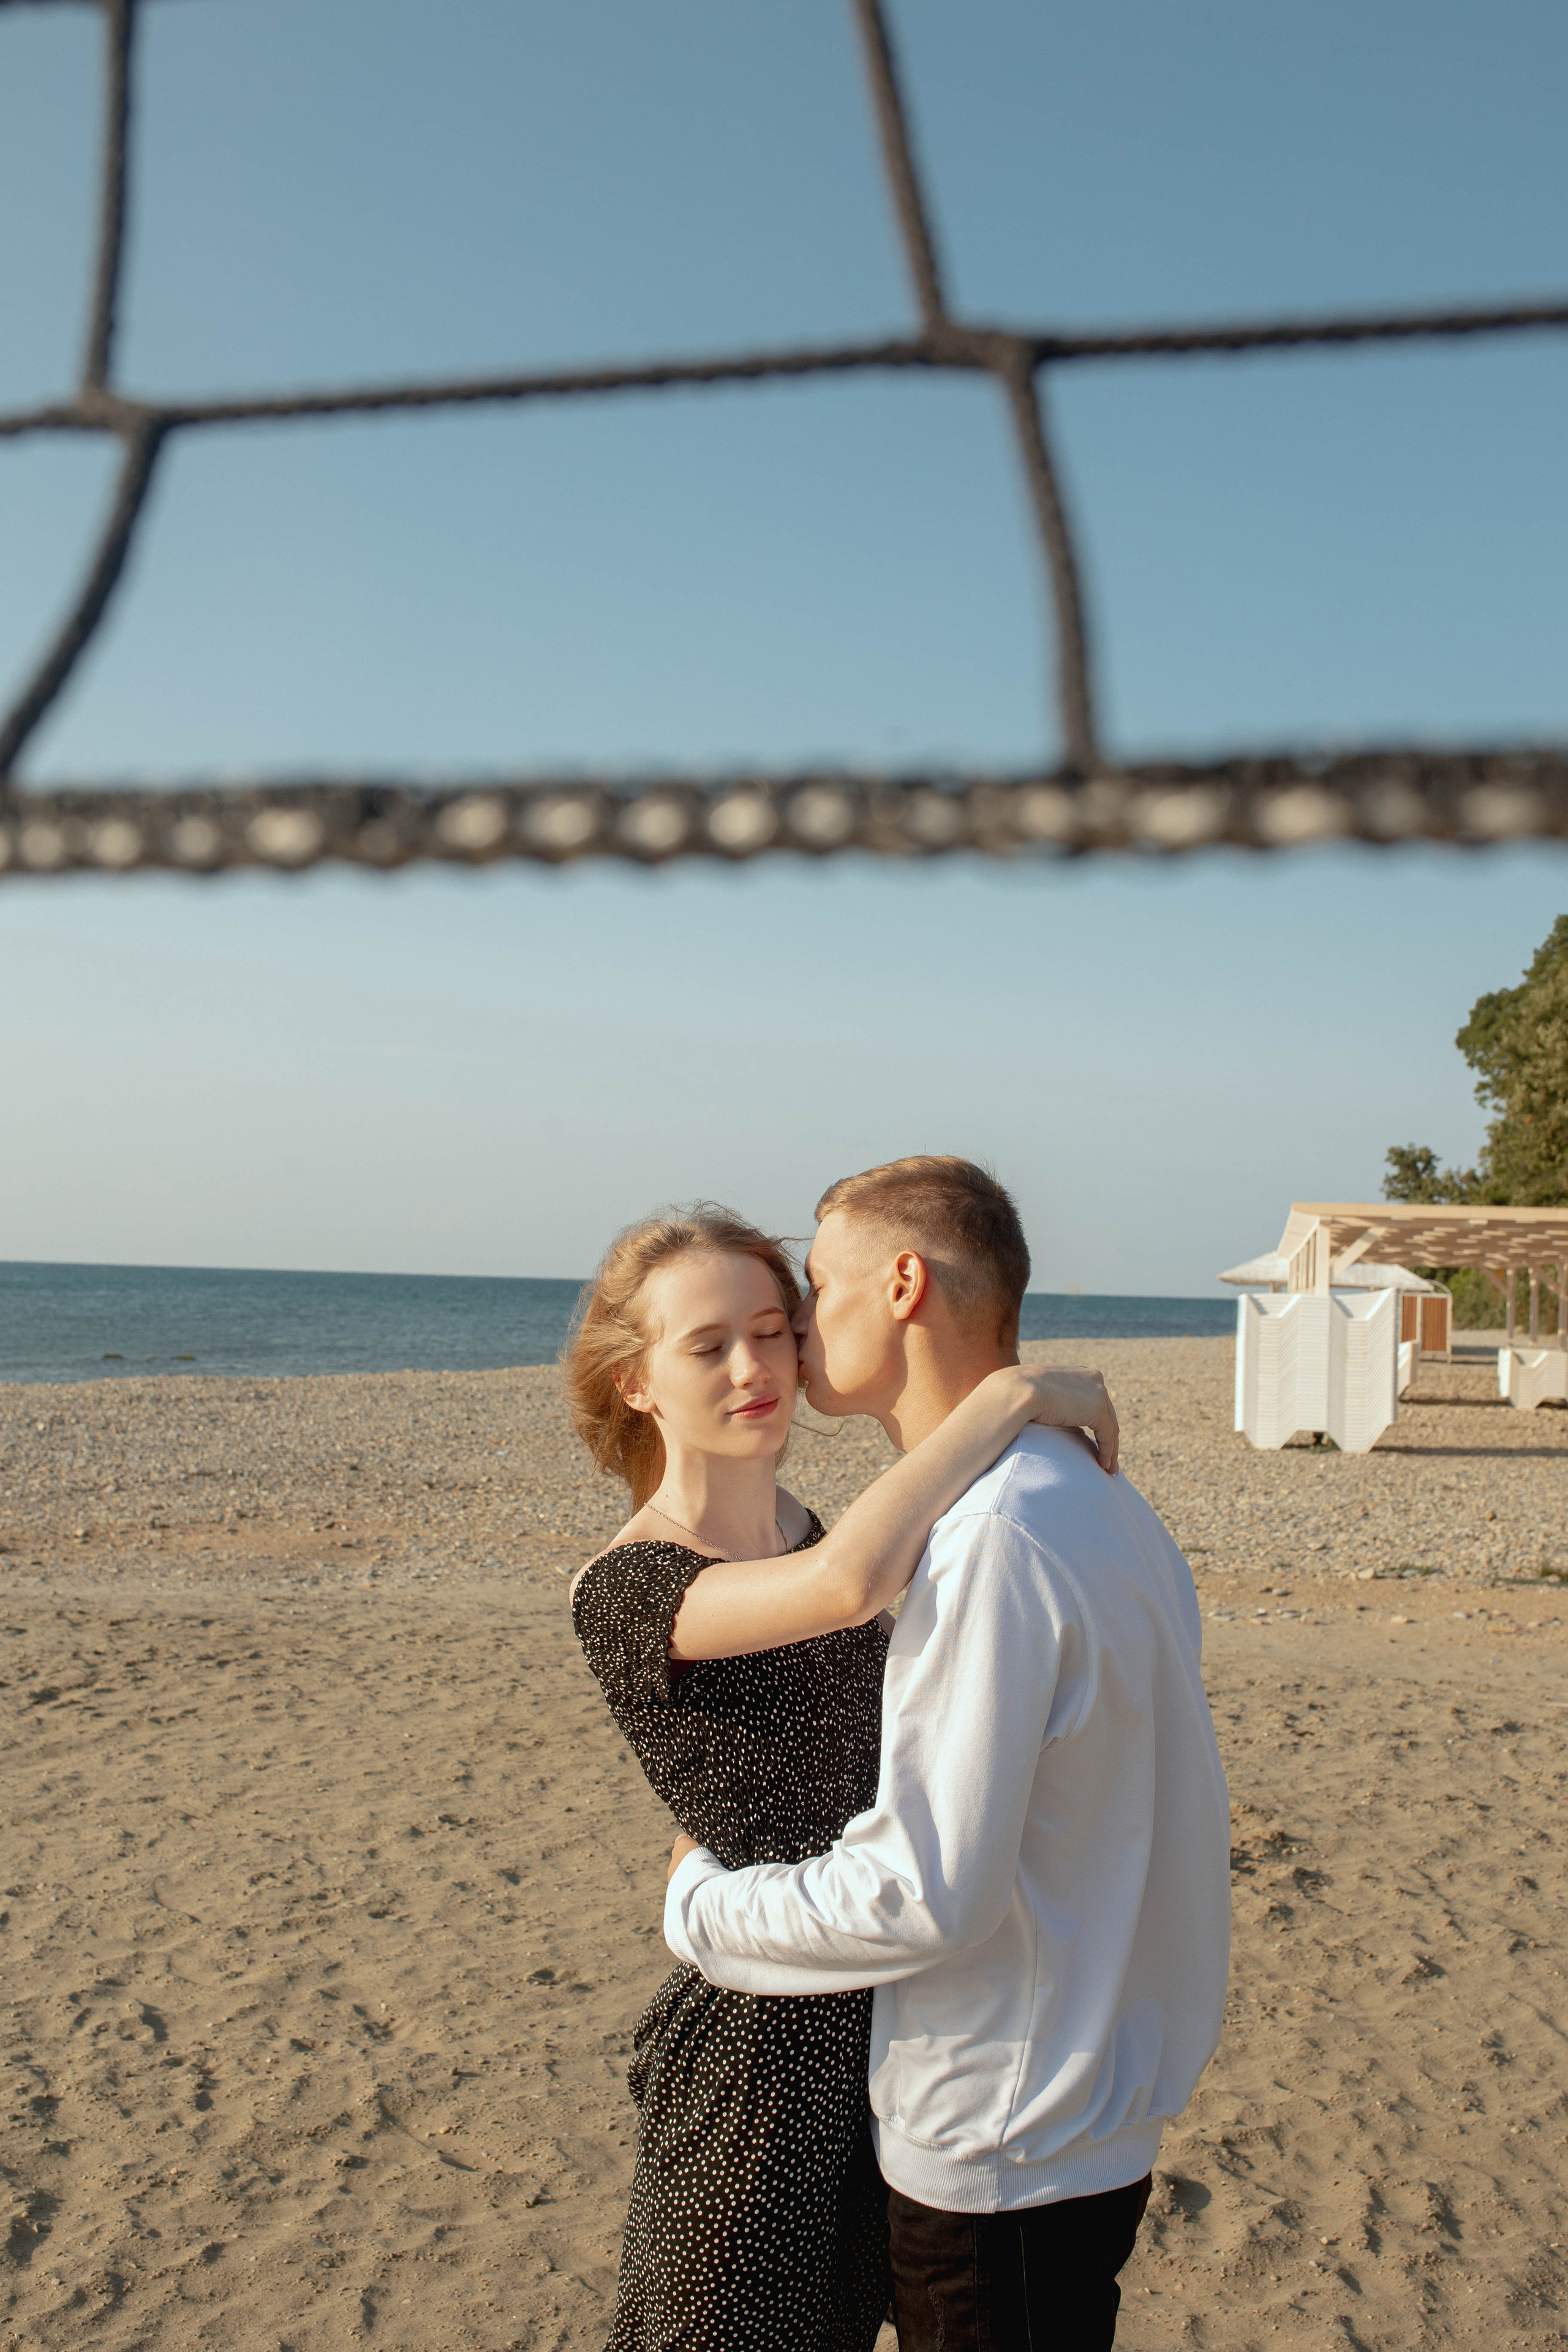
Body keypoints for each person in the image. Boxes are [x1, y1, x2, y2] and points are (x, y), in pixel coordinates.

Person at [665, 1158, 1232, 2352]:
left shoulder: (994, 1541)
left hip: (1001, 2140)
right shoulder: (1100, 1500)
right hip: (1082, 2115)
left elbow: (926, 1891)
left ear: (904, 1282)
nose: (804, 1325)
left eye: (819, 1287)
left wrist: (702, 1909)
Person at [564, 1202, 1120, 2352]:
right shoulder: (630, 1586)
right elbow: (845, 1587)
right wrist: (1010, 1396)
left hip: (888, 2026)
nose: (754, 1368)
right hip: (757, 2051)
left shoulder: (811, 1526)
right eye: (706, 1346)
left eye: (774, 1331)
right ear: (637, 1384)